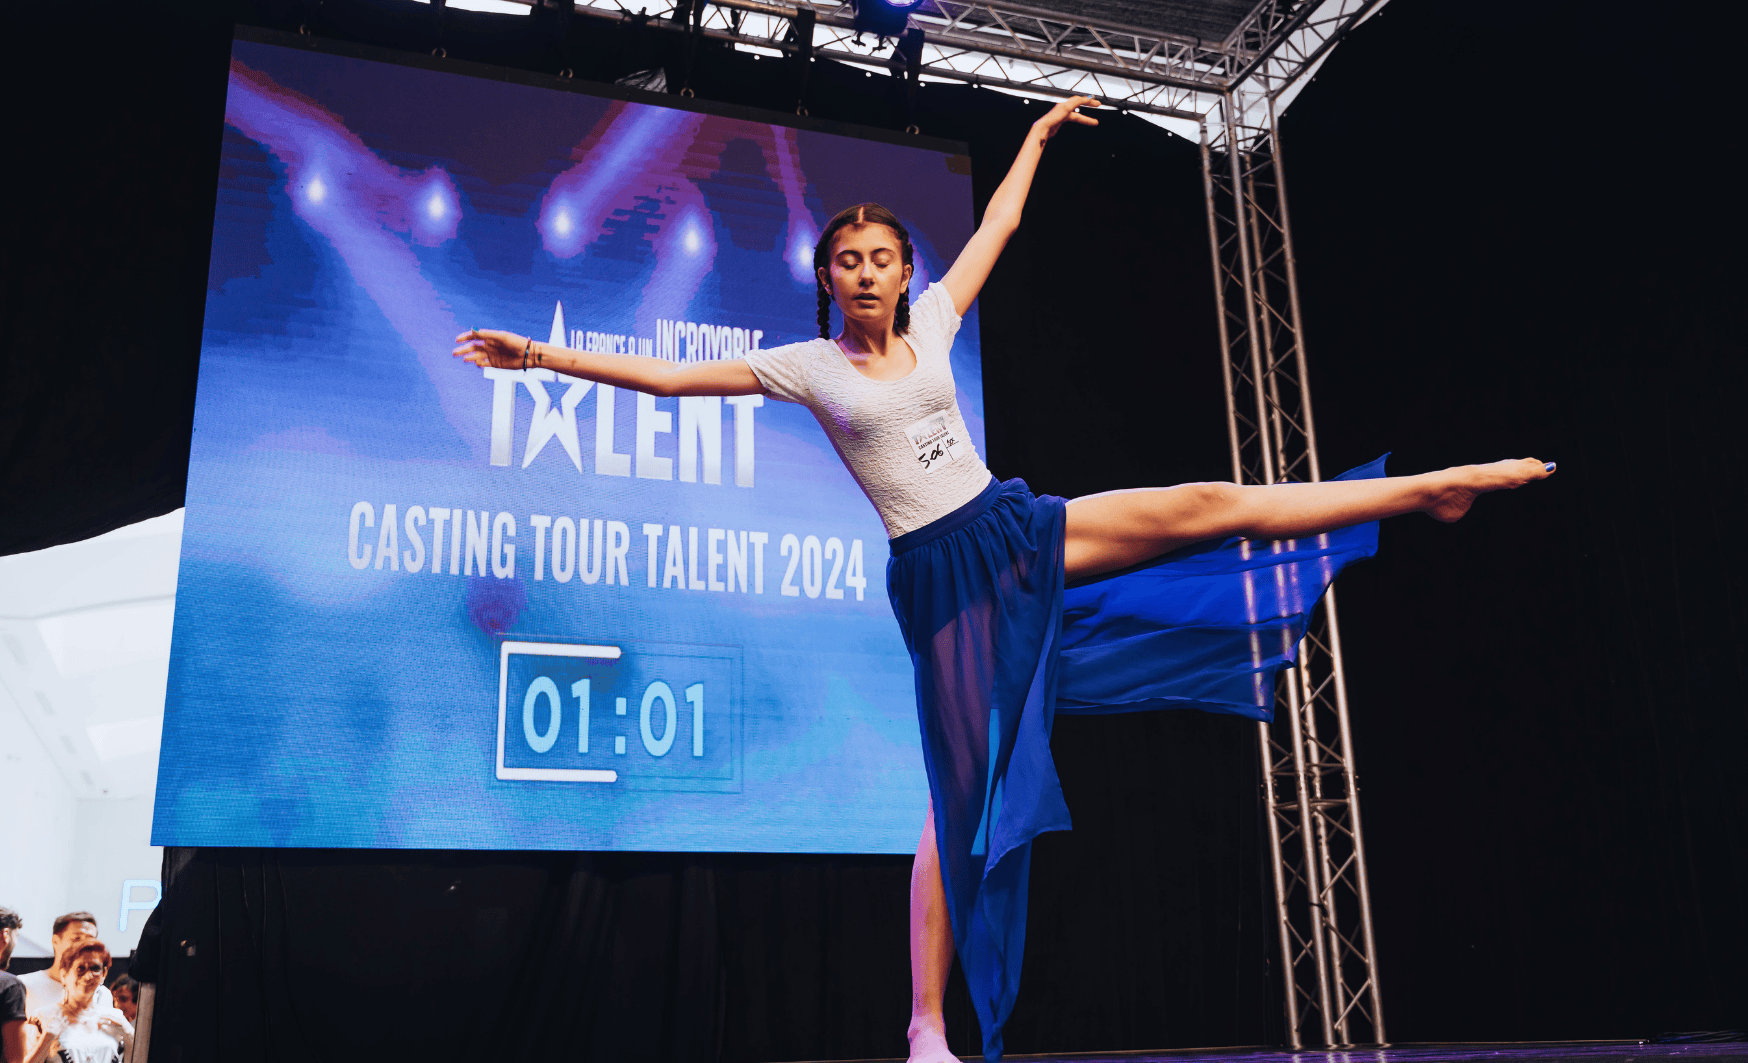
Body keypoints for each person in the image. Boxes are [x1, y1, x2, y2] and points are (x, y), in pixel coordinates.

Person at [454, 94, 1554, 1062]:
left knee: (1203, 507)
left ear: (900, 271)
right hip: (941, 579)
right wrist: (542, 357)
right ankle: (922, 1023)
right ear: (827, 279)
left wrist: (1030, 136)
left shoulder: (933, 320)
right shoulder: (805, 366)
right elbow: (667, 379)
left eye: (882, 257)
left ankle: (1426, 487)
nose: (868, 272)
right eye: (848, 261)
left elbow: (1000, 225)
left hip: (1010, 524)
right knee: (950, 804)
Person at [33, 942, 129, 1063]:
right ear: (64, 975)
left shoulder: (115, 1019)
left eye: (95, 968)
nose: (88, 976)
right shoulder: (44, 1016)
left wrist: (129, 1035)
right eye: (80, 969)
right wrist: (48, 1037)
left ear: (103, 974)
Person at [18, 915, 112, 1023]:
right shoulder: (24, 985)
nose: (84, 945)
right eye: (77, 938)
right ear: (55, 941)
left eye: (90, 939)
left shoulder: (102, 994)